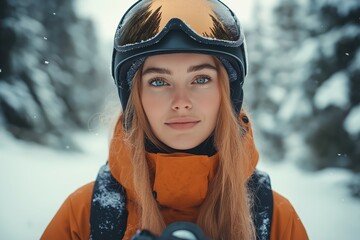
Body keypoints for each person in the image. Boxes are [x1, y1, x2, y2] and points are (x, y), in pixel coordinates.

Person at [41, 0, 309, 239]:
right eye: (159, 81)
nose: (181, 101)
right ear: (136, 99)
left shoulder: (275, 221)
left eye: (201, 79)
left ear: (226, 94)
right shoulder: (84, 217)